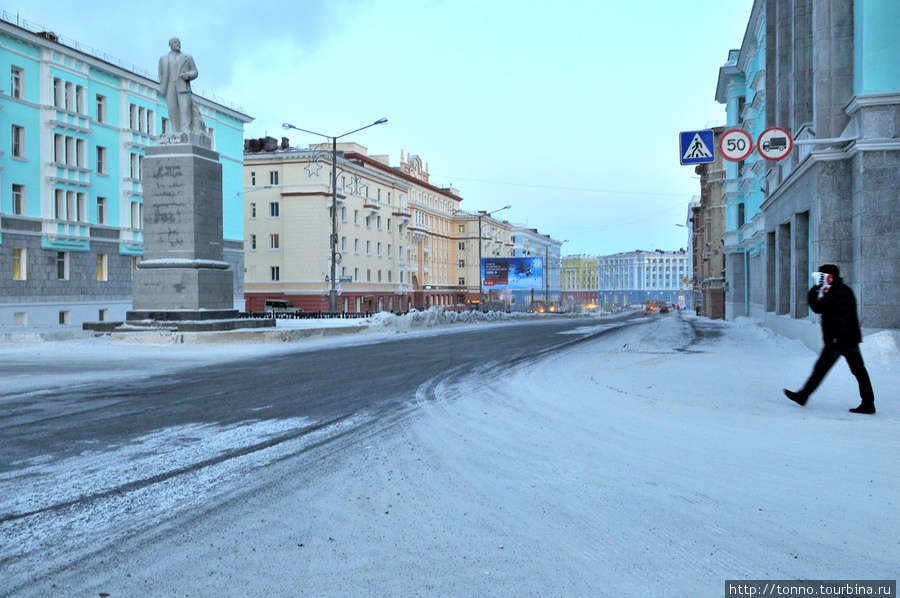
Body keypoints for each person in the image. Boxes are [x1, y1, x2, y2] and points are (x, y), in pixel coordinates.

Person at [783, 264, 875, 414]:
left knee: (821, 369)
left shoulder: (835, 292)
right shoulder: (843, 290)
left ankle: (803, 396)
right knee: (859, 371)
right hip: (848, 338)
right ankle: (868, 403)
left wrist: (814, 290)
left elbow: (817, 307)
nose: (820, 278)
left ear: (829, 277)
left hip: (837, 340)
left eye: (822, 276)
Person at [158, 38, 198, 134]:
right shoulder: (163, 58)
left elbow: (195, 71)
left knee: (185, 109)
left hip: (183, 86)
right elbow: (161, 73)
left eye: (179, 42)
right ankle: (175, 131)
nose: (178, 44)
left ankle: (186, 131)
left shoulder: (187, 57)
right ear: (170, 45)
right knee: (172, 110)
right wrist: (163, 83)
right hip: (170, 86)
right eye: (175, 42)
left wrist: (188, 75)